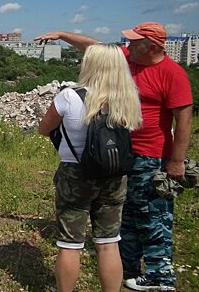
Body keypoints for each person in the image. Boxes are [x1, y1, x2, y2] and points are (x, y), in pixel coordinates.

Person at [35, 22, 193, 291]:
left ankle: (160, 275)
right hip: (118, 159)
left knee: (152, 215)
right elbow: (93, 46)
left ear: (151, 46)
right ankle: (129, 269)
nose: (127, 46)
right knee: (115, 231)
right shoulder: (128, 89)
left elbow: (184, 118)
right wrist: (62, 35)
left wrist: (176, 160)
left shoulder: (172, 74)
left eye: (133, 41)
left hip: (144, 155)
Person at [38, 43, 142, 292]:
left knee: (69, 243)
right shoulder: (128, 99)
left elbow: (43, 129)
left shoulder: (70, 97)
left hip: (75, 174)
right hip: (114, 176)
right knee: (109, 243)